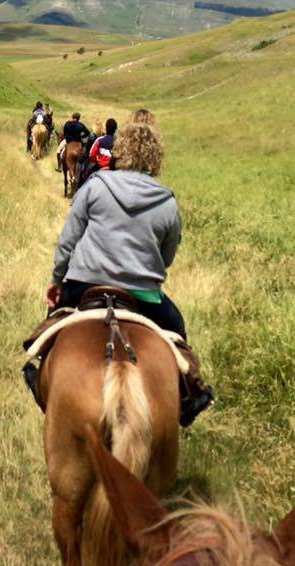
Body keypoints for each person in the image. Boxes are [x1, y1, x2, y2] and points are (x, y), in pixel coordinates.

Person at [42, 110, 214, 426]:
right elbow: (166, 258)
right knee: (177, 328)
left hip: (84, 284)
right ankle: (190, 394)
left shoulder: (95, 185)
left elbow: (68, 241)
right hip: (143, 295)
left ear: (120, 149)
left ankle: (37, 368)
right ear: (156, 157)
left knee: (50, 327)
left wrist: (56, 280)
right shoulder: (167, 202)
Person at [81, 117, 117, 183]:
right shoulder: (118, 142)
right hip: (114, 169)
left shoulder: (99, 140)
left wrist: (97, 162)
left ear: (106, 128)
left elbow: (92, 155)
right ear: (115, 129)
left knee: (86, 178)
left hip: (100, 167)